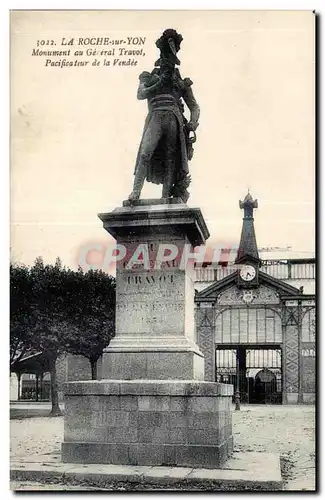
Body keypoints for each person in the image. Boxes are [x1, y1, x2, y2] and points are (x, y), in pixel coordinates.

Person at [128, 29, 200, 203]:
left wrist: (192, 123)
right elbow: (140, 94)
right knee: (146, 153)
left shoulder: (180, 81)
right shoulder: (149, 76)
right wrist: (159, 84)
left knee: (170, 159)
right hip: (155, 116)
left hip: (173, 118)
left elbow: (194, 106)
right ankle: (135, 192)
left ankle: (166, 197)